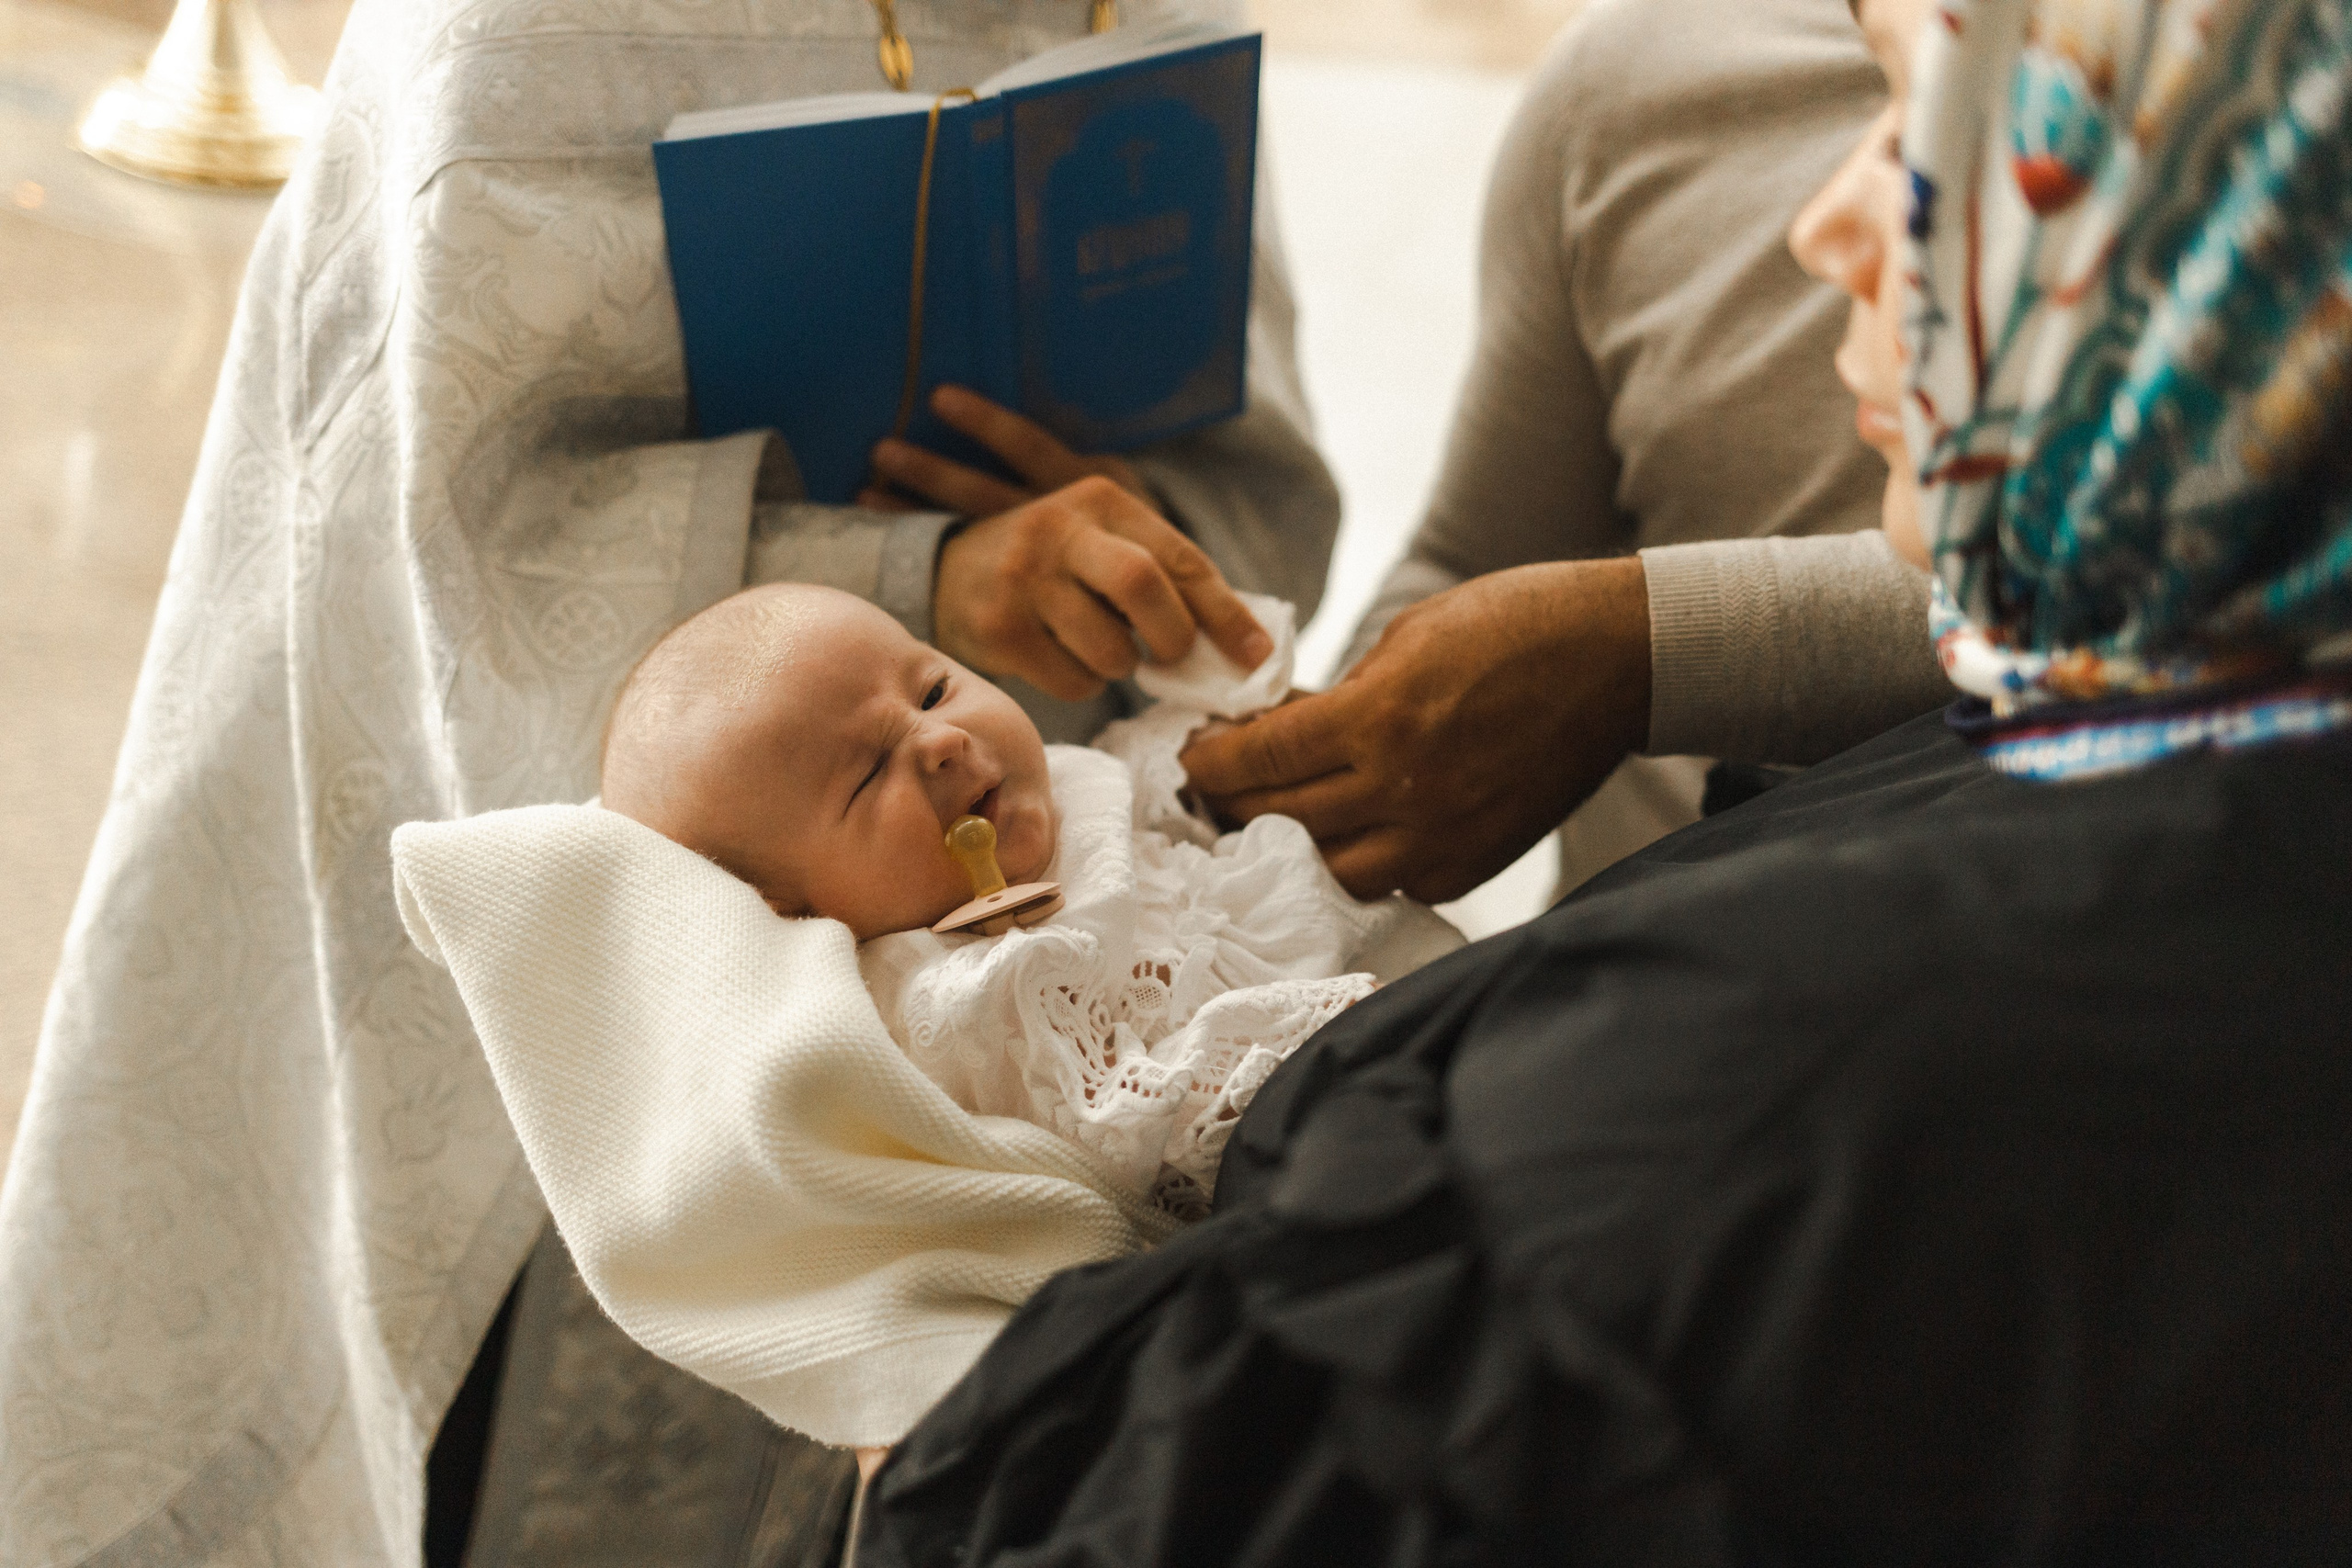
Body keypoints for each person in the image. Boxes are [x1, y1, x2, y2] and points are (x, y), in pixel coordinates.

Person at [853, 0, 2352, 1559]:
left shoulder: (1748, 1086)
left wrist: (947, 1418)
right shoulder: (2057, 781)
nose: (1821, 225)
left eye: (1923, 136)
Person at [0, 0, 1336, 1562]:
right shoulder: (502, 31)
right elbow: (442, 536)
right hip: (607, 889)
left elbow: (1252, 467)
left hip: (1054, 846)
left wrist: (1126, 546)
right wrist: (922, 575)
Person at [388, 583, 1461, 1468]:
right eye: (865, 775)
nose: (941, 742)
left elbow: (1216, 759)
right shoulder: (933, 996)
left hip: (1436, 1001)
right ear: (796, 910)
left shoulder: (1096, 780)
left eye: (931, 685)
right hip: (1298, 1152)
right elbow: (1097, 1149)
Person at [1159, 0, 1963, 903]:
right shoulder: (1632, 79)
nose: (1823, 232)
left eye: (1927, 135)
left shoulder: (2128, 136)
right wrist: (1311, 770)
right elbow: (1475, 557)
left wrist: (1650, 652)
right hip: (1612, 975)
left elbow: (2109, 597)